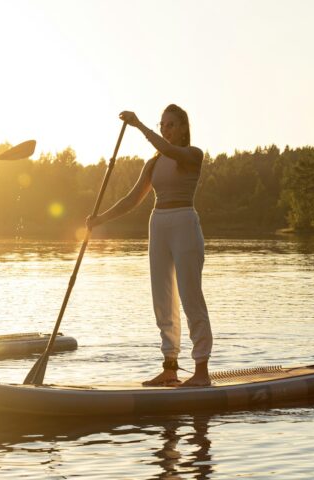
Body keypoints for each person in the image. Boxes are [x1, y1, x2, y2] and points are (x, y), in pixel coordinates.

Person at [87, 105, 212, 387]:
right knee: (163, 299)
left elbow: (169, 149)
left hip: (184, 223)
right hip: (158, 224)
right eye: (162, 125)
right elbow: (132, 200)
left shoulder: (192, 155)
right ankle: (170, 367)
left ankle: (201, 370)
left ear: (183, 128)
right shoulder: (153, 164)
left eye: (170, 125)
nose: (166, 129)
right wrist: (99, 219)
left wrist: (140, 126)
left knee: (191, 297)